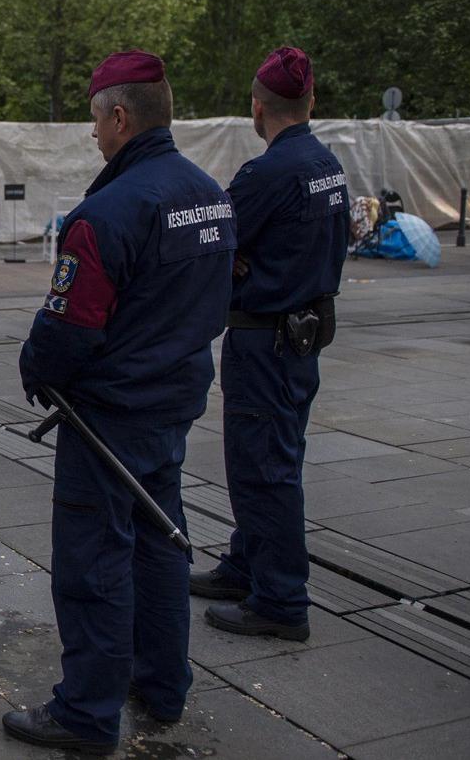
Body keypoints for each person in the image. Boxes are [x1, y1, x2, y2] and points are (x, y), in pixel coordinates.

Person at [1, 51, 235, 755]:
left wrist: (33, 364)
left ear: (122, 116)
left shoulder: (106, 214)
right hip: (172, 404)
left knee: (94, 564)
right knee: (162, 545)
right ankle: (162, 685)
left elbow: (69, 330)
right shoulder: (211, 194)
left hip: (107, 419)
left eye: (97, 121)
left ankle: (87, 712)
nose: (94, 135)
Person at [191, 48, 349, 643]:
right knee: (276, 458)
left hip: (265, 340)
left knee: (262, 469)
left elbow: (218, 243)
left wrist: (242, 265)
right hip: (302, 335)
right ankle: (247, 563)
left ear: (258, 108)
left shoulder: (268, 173)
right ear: (311, 104)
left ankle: (281, 598)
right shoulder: (326, 164)